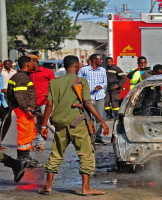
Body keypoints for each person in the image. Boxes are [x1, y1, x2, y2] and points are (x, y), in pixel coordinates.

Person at [39, 55, 109, 195]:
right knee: (86, 155)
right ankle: (86, 188)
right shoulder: (81, 81)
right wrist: (102, 121)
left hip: (60, 123)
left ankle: (47, 186)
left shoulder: (54, 82)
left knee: (56, 154)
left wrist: (43, 126)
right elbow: (88, 103)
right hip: (77, 124)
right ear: (76, 66)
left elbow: (49, 105)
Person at [7, 56, 41, 167]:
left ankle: (25, 157)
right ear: (27, 65)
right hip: (23, 109)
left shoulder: (19, 76)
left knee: (29, 132)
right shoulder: (22, 77)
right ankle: (23, 159)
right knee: (25, 133)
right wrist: (27, 109)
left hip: (23, 109)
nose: (33, 64)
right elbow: (19, 95)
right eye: (32, 63)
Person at [78, 54, 107, 145]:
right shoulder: (83, 70)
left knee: (99, 117)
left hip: (99, 96)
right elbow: (78, 82)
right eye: (100, 60)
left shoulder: (103, 70)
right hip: (87, 98)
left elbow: (105, 82)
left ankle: (98, 137)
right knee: (87, 117)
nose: (102, 61)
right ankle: (89, 136)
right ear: (94, 60)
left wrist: (101, 86)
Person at [28, 54, 55, 151]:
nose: (28, 65)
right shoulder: (29, 73)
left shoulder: (47, 72)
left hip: (45, 102)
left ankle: (60, 139)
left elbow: (54, 85)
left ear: (34, 62)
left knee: (47, 122)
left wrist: (50, 96)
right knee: (38, 124)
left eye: (29, 62)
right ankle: (40, 144)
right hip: (34, 102)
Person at [0, 71, 9, 151]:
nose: (0, 68)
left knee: (6, 121)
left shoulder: (0, 75)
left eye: (1, 66)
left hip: (3, 102)